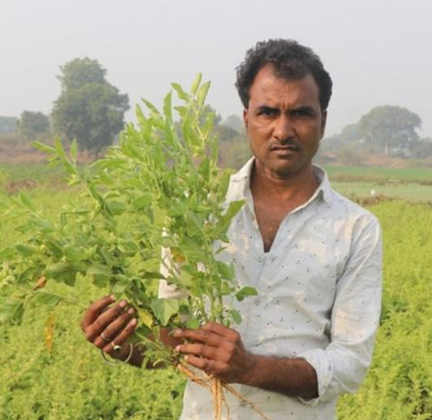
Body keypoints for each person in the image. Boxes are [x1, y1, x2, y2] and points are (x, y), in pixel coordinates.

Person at [80, 39, 383, 420]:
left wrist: (250, 368)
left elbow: (350, 364)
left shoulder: (356, 228)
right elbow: (178, 338)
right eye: (267, 112)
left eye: (301, 113)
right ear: (246, 119)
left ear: (322, 121)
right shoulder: (196, 211)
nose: (283, 130)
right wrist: (121, 343)